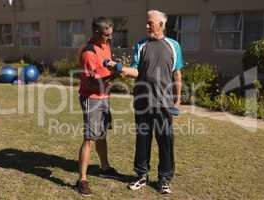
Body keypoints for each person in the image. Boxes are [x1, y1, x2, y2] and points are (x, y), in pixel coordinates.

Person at [105, 10, 184, 194]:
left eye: (150, 23)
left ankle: (164, 179)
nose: (147, 26)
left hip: (164, 104)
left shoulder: (173, 46)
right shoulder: (141, 45)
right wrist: (119, 67)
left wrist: (178, 100)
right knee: (143, 140)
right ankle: (141, 175)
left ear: (161, 24)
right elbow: (136, 71)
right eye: (147, 23)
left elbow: (177, 74)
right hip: (142, 102)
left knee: (165, 142)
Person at [76, 17, 122, 197]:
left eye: (111, 35)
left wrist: (113, 70)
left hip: (104, 96)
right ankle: (82, 180)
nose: (109, 38)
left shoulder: (105, 45)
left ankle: (105, 167)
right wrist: (115, 76)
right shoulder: (89, 53)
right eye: (105, 36)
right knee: (90, 138)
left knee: (102, 134)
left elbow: (106, 67)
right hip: (92, 97)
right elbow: (91, 84)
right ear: (96, 33)